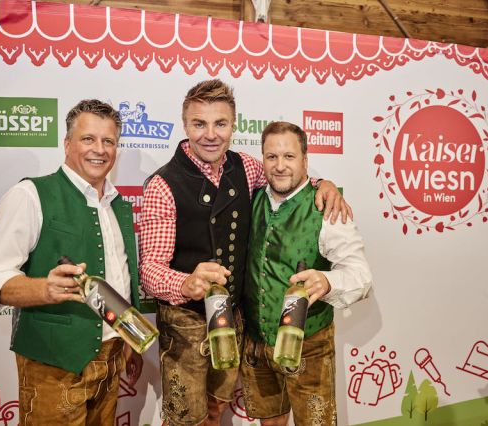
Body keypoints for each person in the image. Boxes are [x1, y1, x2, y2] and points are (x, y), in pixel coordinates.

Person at [139, 79, 350, 426]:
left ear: (234, 126)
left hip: (233, 320)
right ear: (185, 124)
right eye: (199, 123)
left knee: (214, 410)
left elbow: (286, 178)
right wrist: (186, 283)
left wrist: (322, 184)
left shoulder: (248, 167)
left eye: (220, 123)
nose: (210, 134)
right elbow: (149, 269)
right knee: (185, 419)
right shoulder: (164, 184)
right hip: (186, 324)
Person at [0, 99, 143, 425]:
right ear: (67, 144)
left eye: (108, 141)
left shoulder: (119, 205)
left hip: (112, 358)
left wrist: (129, 337)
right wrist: (44, 289)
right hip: (54, 364)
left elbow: (120, 278)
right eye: (88, 139)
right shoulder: (30, 194)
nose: (99, 149)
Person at [240, 121, 373, 425]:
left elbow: (361, 275)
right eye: (272, 157)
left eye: (289, 157)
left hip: (309, 346)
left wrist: (328, 281)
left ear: (305, 161)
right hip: (257, 343)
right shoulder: (254, 197)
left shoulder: (326, 207)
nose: (280, 166)